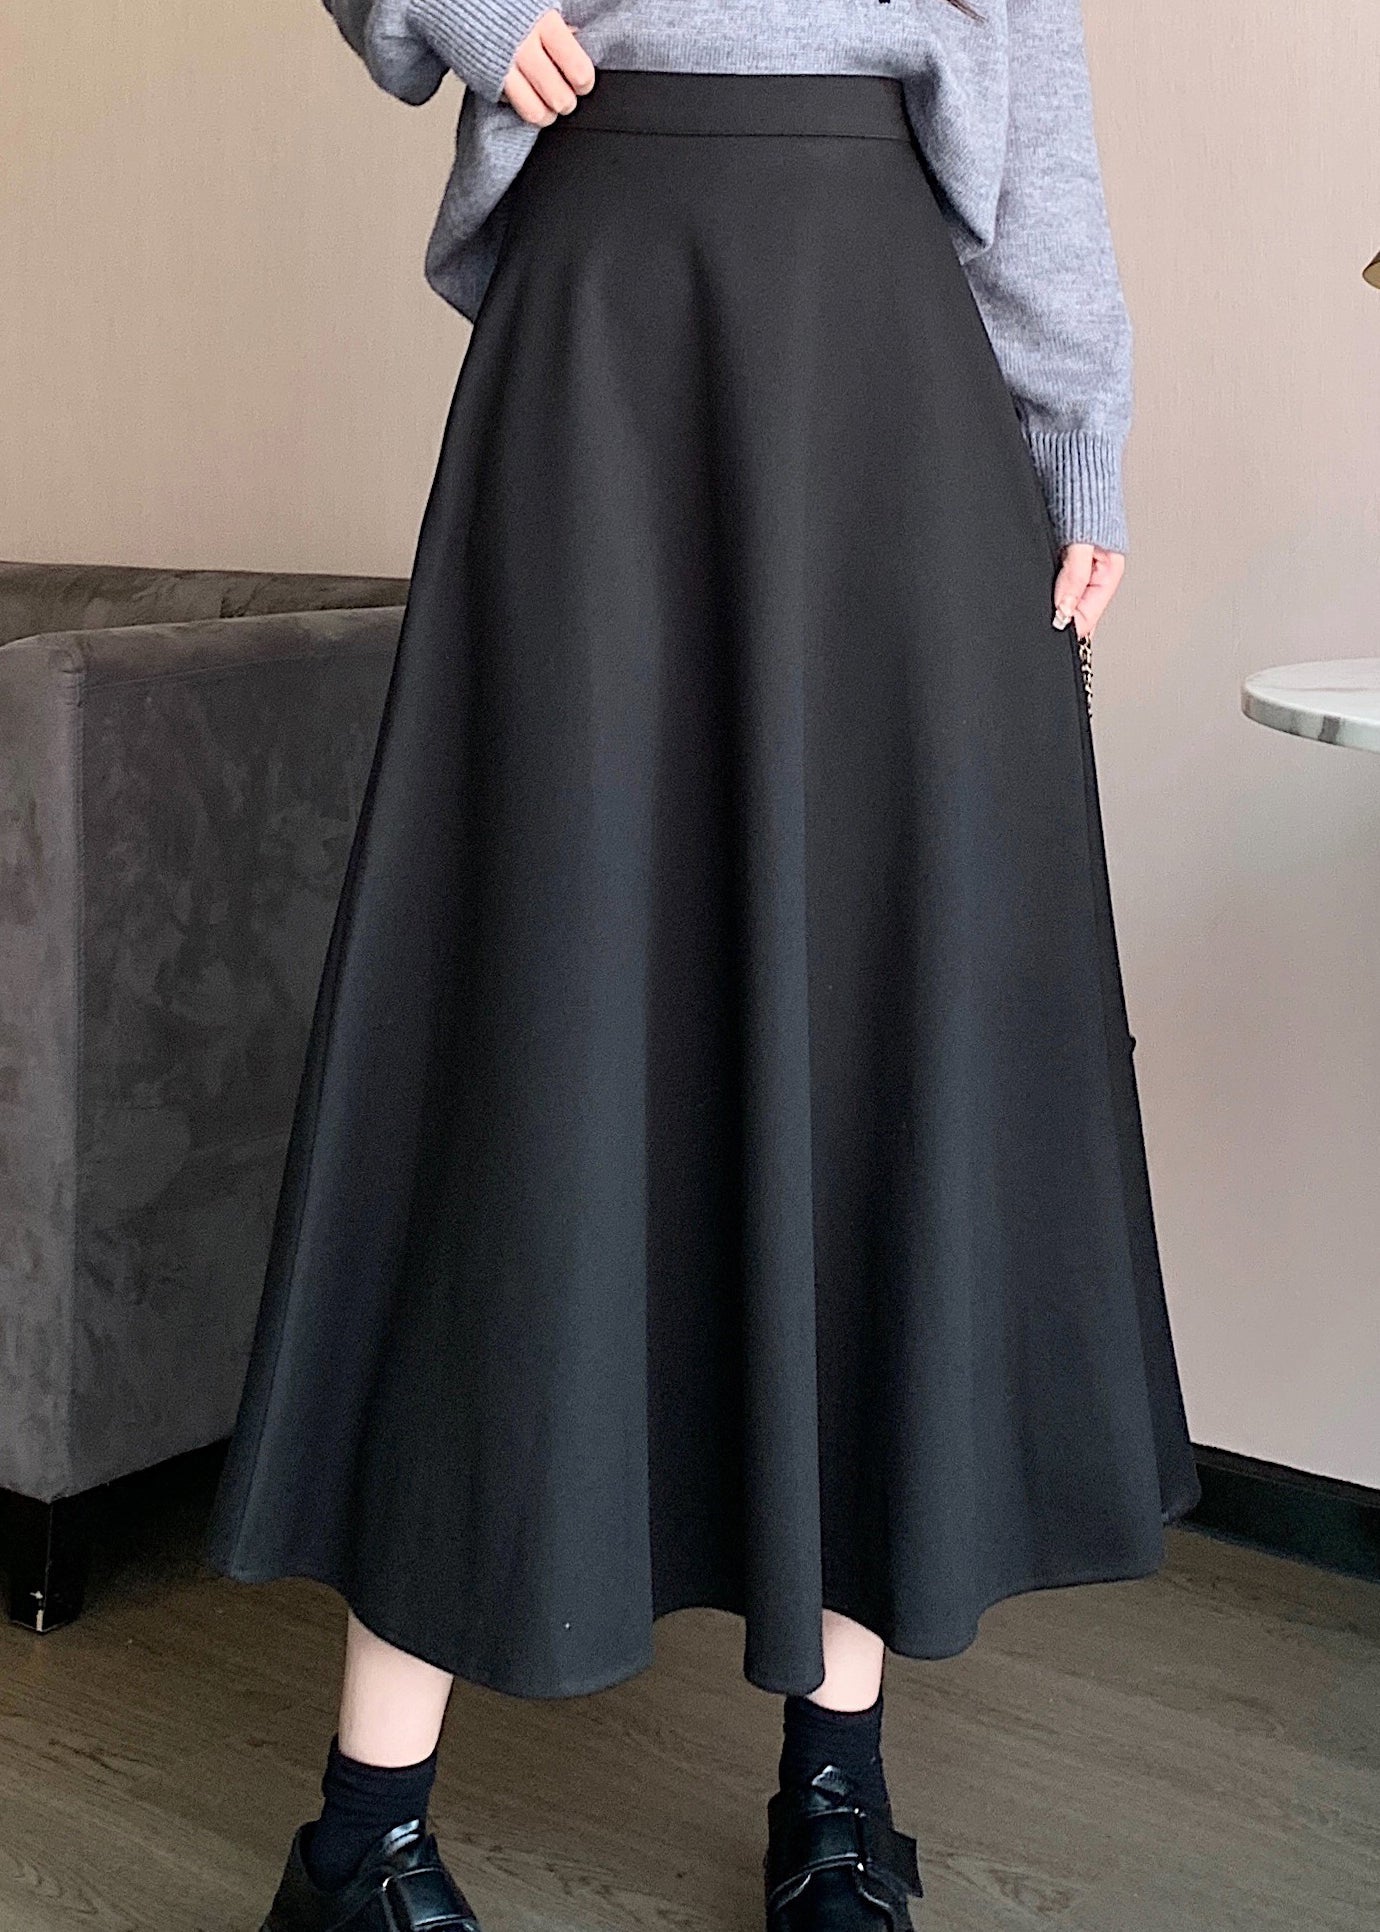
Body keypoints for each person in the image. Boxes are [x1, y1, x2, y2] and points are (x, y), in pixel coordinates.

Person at [206, 4, 1202, 1929]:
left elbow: (1026, 70)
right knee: (521, 1029)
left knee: (860, 1041)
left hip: (890, 354)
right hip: (603, 331)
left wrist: (1080, 423)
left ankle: (836, 1790)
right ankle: (364, 1836)